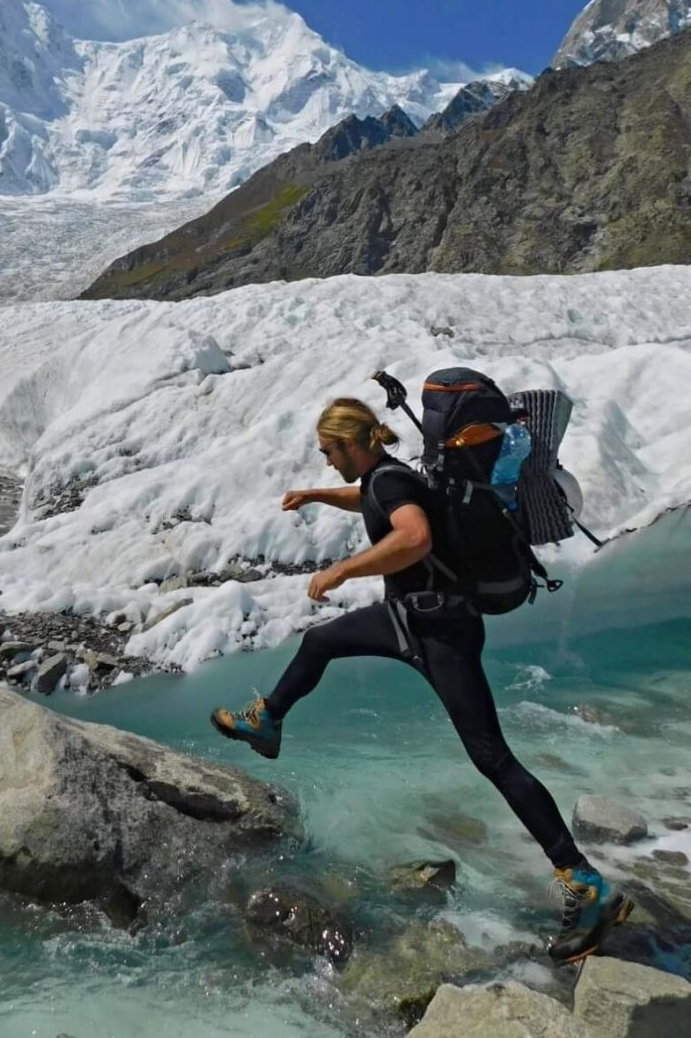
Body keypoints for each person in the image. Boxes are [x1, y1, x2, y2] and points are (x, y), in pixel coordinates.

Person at [211, 396, 632, 965]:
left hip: (433, 627)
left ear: (353, 442)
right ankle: (268, 720)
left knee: (493, 758)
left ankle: (586, 886)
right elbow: (370, 498)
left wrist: (342, 569)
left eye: (329, 452)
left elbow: (413, 537)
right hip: (431, 620)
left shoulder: (389, 484)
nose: (328, 462)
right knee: (324, 644)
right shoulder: (390, 476)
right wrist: (315, 495)